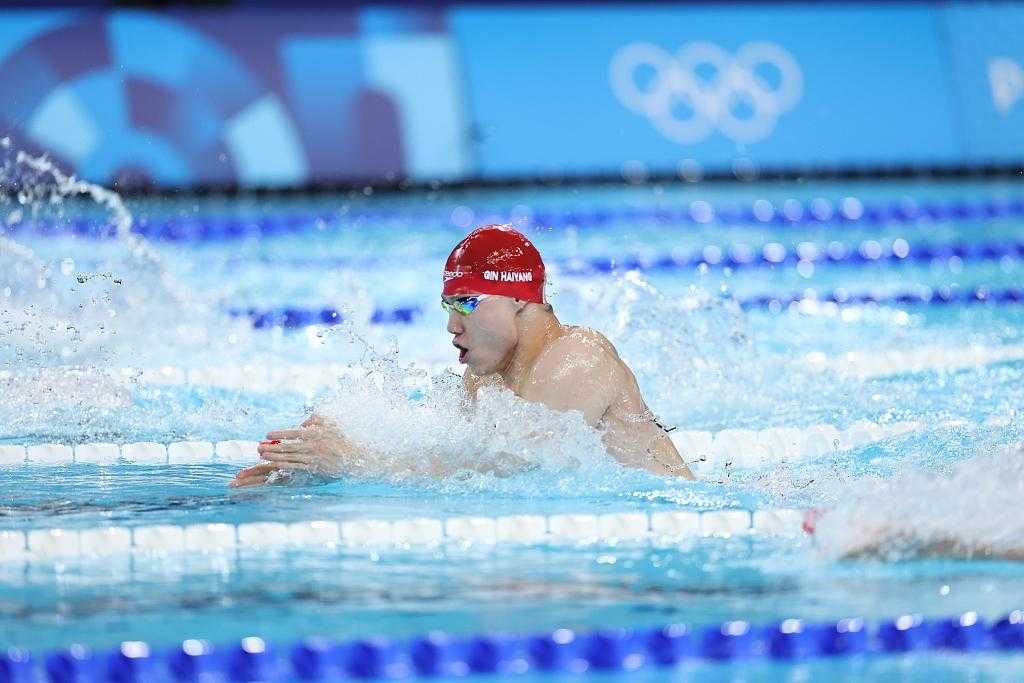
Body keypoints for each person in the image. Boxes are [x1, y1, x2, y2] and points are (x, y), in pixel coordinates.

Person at [230, 224, 694, 487]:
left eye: (466, 303)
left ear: (517, 299)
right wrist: (309, 465)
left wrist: (353, 459)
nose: (452, 326)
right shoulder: (487, 378)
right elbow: (448, 455)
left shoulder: (579, 359)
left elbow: (514, 468)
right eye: (448, 307)